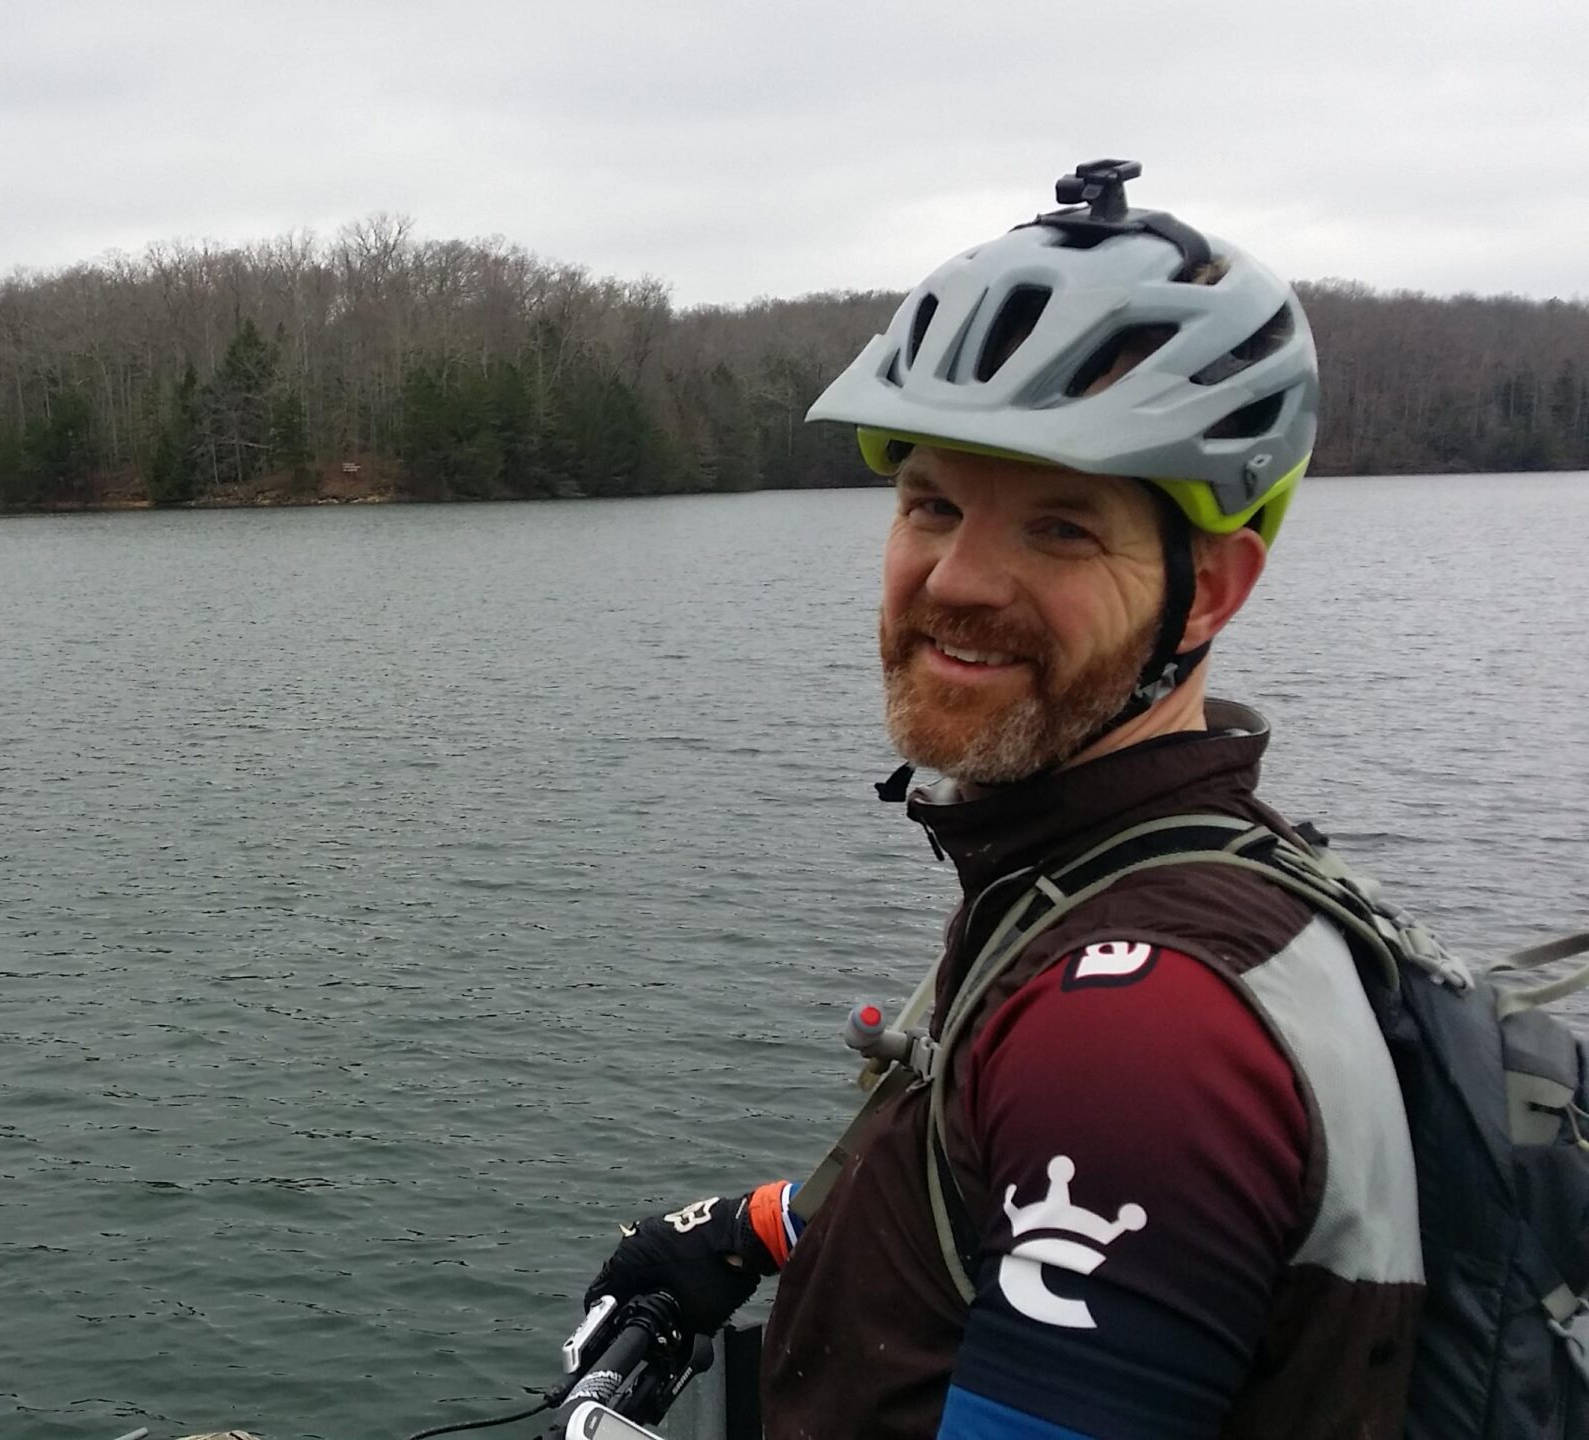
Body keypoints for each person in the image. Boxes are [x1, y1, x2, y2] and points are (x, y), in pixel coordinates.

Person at [583, 161, 1423, 1439]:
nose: (957, 581)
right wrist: (775, 1227)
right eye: (933, 504)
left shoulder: (1138, 1032)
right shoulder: (1150, 873)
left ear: (1207, 591)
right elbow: (1022, 1203)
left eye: (1061, 528)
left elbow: (1110, 1153)